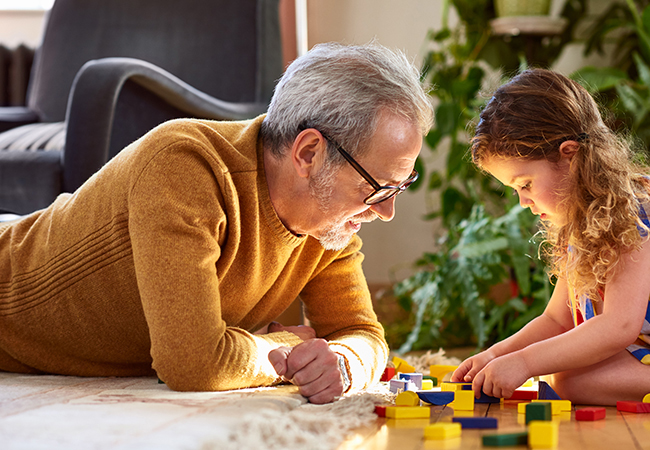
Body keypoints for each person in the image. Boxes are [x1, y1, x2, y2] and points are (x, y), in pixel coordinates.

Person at [0, 42, 434, 404]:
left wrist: (343, 361)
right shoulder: (184, 166)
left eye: (399, 187)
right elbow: (193, 363)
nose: (385, 210)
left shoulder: (328, 224)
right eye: (378, 187)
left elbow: (362, 333)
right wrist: (287, 346)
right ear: (308, 153)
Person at [453, 68, 650, 412]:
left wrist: (525, 363)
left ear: (569, 156)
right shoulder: (581, 219)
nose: (523, 202)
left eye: (525, 184)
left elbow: (619, 326)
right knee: (569, 378)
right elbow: (558, 319)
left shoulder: (632, 207)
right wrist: (497, 354)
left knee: (569, 374)